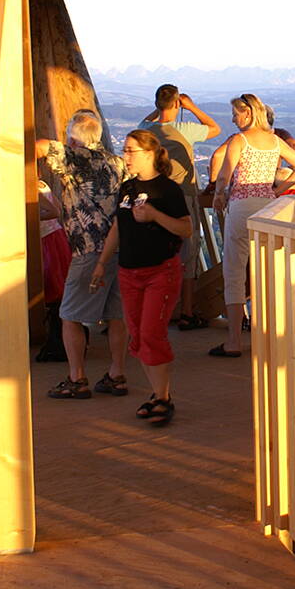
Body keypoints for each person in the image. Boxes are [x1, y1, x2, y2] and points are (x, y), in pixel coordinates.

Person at [90, 130, 193, 427]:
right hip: (129, 271)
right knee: (138, 335)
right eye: (125, 150)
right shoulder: (126, 188)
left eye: (131, 151)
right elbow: (118, 228)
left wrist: (154, 216)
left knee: (151, 333)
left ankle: (162, 397)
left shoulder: (167, 190)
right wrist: (101, 263)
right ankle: (158, 394)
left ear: (149, 154)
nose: (126, 155)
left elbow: (185, 229)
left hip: (160, 270)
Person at [211, 93, 295, 358]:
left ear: (248, 114)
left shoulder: (240, 140)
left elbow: (225, 174)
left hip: (241, 205)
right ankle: (274, 337)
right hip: (267, 207)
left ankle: (234, 341)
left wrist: (218, 193)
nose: (233, 118)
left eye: (236, 113)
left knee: (235, 272)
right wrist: (277, 188)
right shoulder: (274, 141)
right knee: (269, 271)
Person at [38, 111, 129, 400]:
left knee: (69, 315)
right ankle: (117, 374)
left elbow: (40, 145)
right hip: (118, 246)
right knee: (116, 316)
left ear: (73, 137)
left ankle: (76, 378)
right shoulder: (117, 163)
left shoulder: (76, 158)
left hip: (88, 248)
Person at [142, 84, 221, 330]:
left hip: (155, 197)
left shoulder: (147, 129)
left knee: (157, 255)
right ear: (177, 104)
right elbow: (214, 129)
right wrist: (191, 106)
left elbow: (144, 121)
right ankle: (186, 311)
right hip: (183, 197)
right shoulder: (185, 130)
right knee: (186, 256)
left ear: (157, 104)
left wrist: (159, 112)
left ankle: (157, 312)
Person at [35, 185, 71, 363]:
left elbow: (53, 211)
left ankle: (58, 338)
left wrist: (30, 217)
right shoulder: (43, 184)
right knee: (58, 287)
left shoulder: (34, 187)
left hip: (47, 238)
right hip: (56, 235)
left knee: (52, 288)